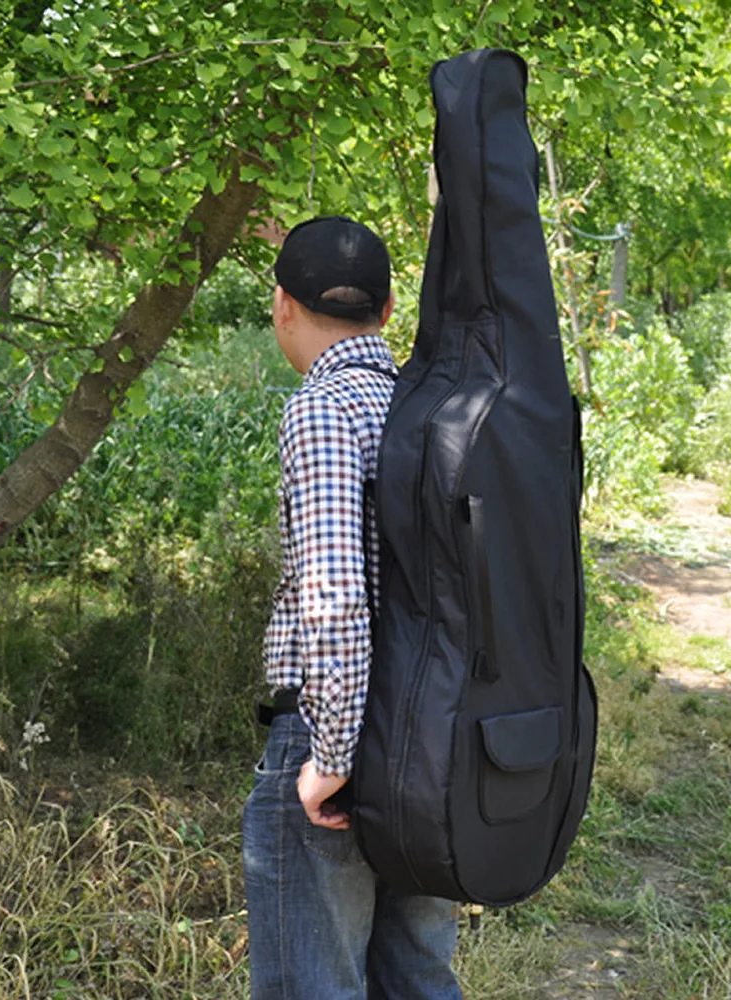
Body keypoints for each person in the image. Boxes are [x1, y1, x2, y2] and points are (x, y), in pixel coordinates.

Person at [242, 215, 461, 1000]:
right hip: (428, 731)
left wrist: (328, 758)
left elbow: (333, 597)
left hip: (337, 735)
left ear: (281, 305)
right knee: (418, 976)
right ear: (389, 308)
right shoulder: (430, 405)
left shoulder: (323, 409)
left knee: (314, 984)